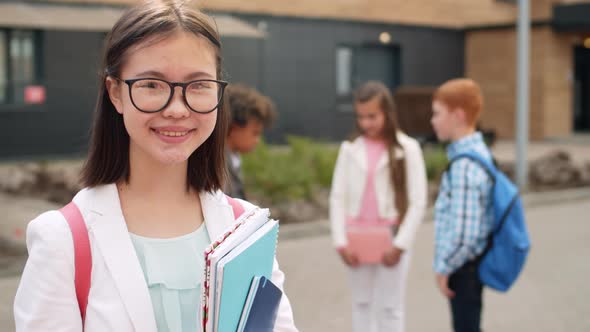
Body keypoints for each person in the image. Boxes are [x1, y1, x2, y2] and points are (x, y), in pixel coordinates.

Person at [13, 1, 297, 331]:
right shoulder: (63, 240)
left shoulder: (246, 231)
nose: (177, 109)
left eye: (198, 85)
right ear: (115, 92)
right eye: (151, 84)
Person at [329, 81, 427, 332]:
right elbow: (337, 197)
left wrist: (400, 245)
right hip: (356, 239)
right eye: (361, 117)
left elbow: (418, 201)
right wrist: (341, 243)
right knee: (361, 304)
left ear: (388, 113)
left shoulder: (408, 149)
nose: (366, 123)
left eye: (372, 116)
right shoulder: (349, 149)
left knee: (391, 308)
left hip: (392, 239)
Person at [431, 78, 494, 332]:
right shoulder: (478, 152)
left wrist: (444, 269)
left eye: (437, 113)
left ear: (457, 115)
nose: (432, 121)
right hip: (471, 266)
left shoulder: (464, 165)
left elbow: (465, 235)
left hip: (463, 269)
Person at [224, 83, 276, 199]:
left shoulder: (233, 158)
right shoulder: (217, 167)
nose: (257, 140)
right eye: (255, 133)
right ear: (234, 127)